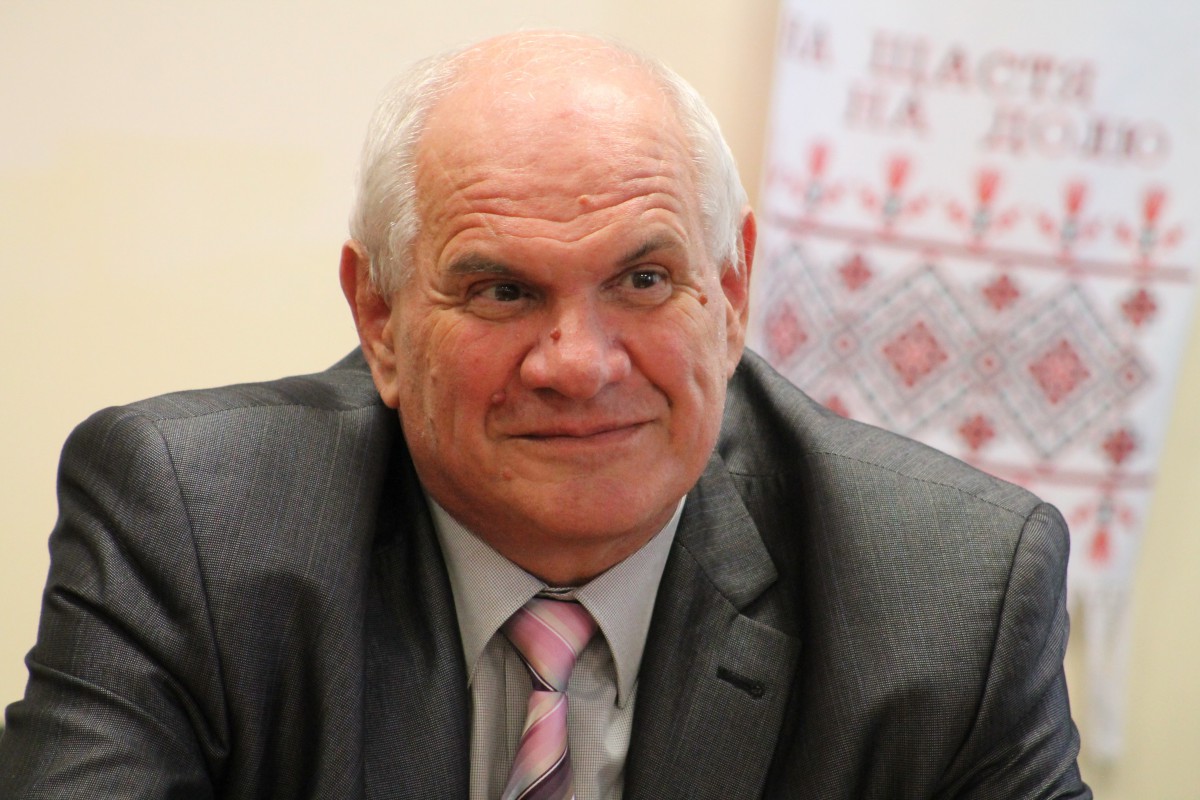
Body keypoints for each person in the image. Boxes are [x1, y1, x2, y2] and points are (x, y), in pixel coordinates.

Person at [0, 30, 1089, 799]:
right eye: (502, 291)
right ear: (380, 318)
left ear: (731, 291)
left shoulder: (950, 596)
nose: (578, 364)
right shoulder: (191, 527)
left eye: (645, 280)